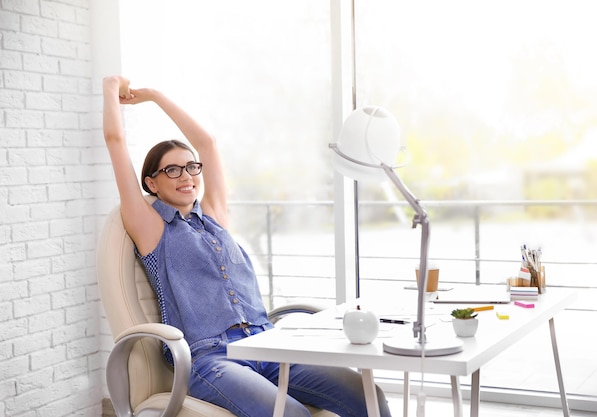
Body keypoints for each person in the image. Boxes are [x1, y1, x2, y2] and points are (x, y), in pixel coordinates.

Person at [102, 75, 392, 417]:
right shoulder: (151, 228)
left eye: (191, 167)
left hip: (266, 343)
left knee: (366, 395)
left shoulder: (214, 216)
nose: (186, 176)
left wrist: (154, 95)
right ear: (151, 182)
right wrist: (110, 87)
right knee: (293, 414)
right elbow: (115, 140)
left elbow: (207, 143)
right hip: (211, 359)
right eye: (173, 170)